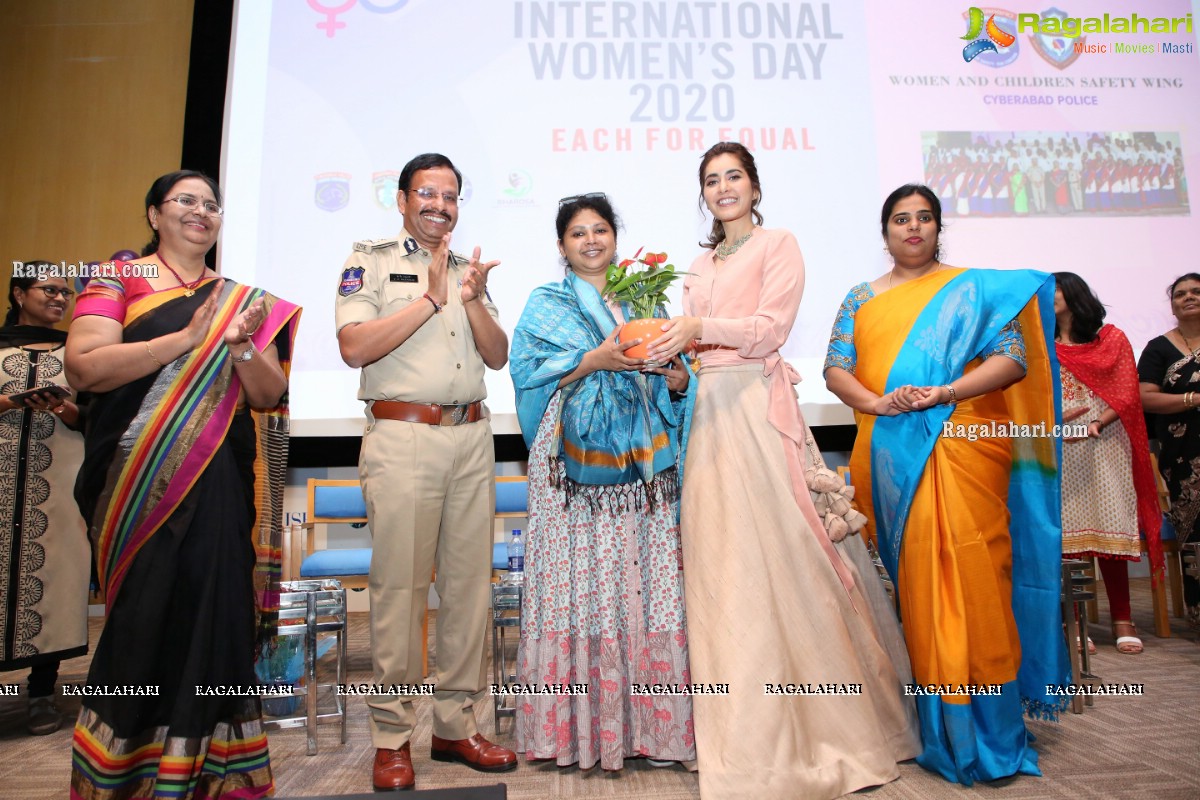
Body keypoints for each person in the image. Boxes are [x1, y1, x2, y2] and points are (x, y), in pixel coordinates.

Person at [645, 142, 921, 800]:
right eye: (711, 180)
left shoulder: (780, 244)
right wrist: (668, 359)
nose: (723, 188)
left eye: (733, 176)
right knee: (721, 568)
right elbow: (697, 351)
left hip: (757, 413)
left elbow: (770, 330)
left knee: (789, 554)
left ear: (755, 184)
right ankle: (737, 729)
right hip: (707, 416)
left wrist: (695, 327)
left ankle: (817, 720)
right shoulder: (697, 263)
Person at [823, 183, 1069, 785]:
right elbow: (836, 368)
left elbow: (1013, 361)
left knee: (976, 574)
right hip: (887, 451)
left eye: (924, 218)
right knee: (912, 587)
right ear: (885, 233)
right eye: (900, 220)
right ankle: (930, 725)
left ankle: (987, 726)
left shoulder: (974, 292)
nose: (912, 228)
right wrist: (877, 404)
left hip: (963, 444)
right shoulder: (861, 297)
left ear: (938, 228)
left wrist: (945, 393)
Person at [65, 171, 300, 799]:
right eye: (186, 201)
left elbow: (268, 393)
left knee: (218, 617)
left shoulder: (242, 298)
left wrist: (241, 345)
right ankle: (124, 776)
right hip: (135, 488)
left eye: (212, 205)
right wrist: (187, 339)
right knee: (143, 622)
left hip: (218, 482)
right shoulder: (114, 281)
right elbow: (85, 368)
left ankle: (216, 776)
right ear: (153, 214)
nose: (202, 212)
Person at [335, 152, 515, 792]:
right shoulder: (371, 260)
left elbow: (496, 358)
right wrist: (430, 299)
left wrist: (469, 302)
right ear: (404, 199)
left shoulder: (471, 270)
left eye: (450, 195)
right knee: (400, 592)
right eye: (427, 193)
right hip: (404, 435)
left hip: (472, 435)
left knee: (468, 591)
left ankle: (455, 724)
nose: (440, 205)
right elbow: (354, 346)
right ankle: (391, 737)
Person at [509, 193, 695, 770]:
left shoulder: (644, 298)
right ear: (562, 246)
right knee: (579, 587)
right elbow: (525, 371)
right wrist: (593, 360)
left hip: (643, 467)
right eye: (577, 234)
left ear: (615, 236)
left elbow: (676, 379)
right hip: (572, 470)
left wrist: (677, 374)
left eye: (600, 230)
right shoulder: (546, 304)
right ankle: (578, 732)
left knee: (647, 584)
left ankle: (653, 731)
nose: (591, 241)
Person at [0, 265, 89, 736]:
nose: (60, 298)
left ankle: (41, 694)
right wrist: (13, 403)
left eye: (66, 293)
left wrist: (59, 405)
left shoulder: (75, 350)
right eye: (49, 289)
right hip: (2, 476)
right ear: (19, 293)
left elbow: (91, 415)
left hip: (57, 480)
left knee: (56, 578)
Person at [1054, 272, 1163, 654]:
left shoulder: (1111, 337)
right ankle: (1076, 621)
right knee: (1067, 534)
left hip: (1105, 439)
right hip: (1059, 442)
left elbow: (1127, 390)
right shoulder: (1040, 345)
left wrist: (1098, 423)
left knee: (1110, 524)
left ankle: (1122, 618)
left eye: (1054, 290)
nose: (1047, 297)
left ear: (1075, 294)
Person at [1139, 273, 1200, 627]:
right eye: (1180, 294)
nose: (1188, 297)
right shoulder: (1159, 348)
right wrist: (1192, 399)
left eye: (1195, 292)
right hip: (1183, 456)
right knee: (1195, 533)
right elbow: (1146, 397)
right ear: (1173, 305)